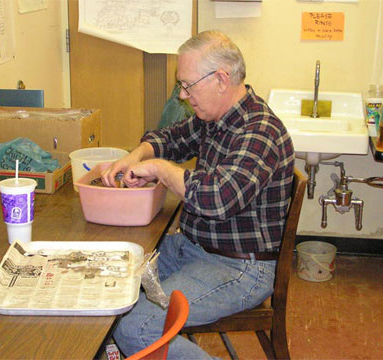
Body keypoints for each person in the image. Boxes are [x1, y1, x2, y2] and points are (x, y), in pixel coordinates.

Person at [102, 30, 295, 359]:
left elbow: (217, 199)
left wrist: (161, 169)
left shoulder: (259, 131)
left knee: (136, 328)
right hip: (195, 247)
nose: (182, 95)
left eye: (187, 85)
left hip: (239, 268)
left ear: (221, 79)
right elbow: (171, 138)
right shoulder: (215, 117)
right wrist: (136, 156)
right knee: (107, 286)